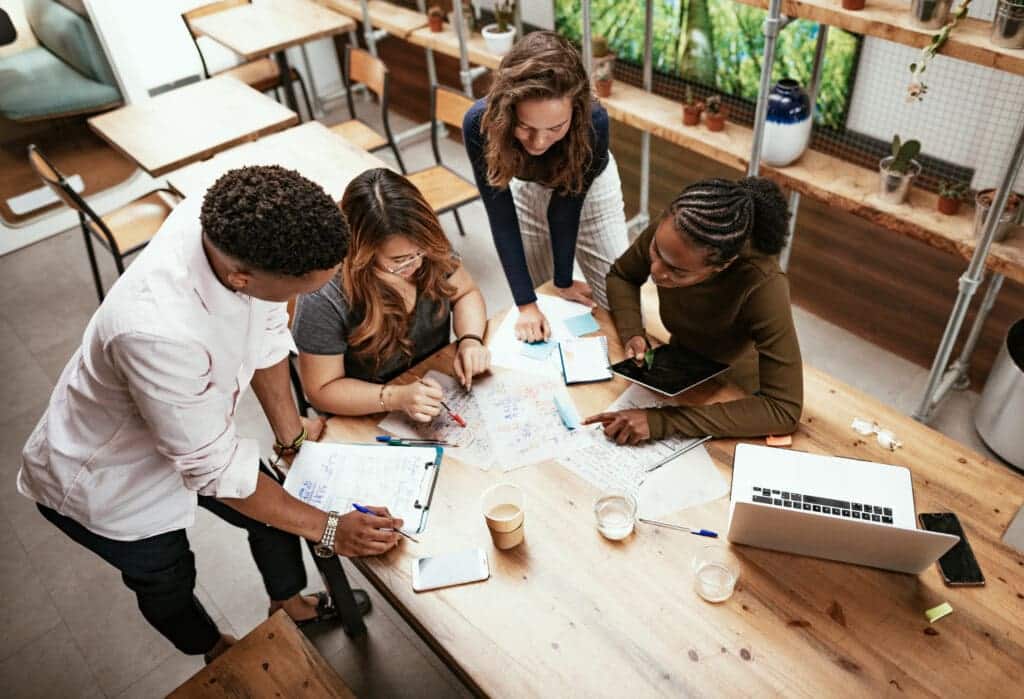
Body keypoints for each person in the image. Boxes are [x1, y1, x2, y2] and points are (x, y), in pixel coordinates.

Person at [18, 166, 403, 663]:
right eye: (301, 290)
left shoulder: (235, 226)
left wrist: (291, 440)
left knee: (278, 517)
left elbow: (267, 330)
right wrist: (331, 528)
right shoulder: (154, 330)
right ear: (242, 278)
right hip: (109, 477)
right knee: (167, 578)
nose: (303, 302)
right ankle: (214, 651)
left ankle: (289, 603)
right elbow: (214, 471)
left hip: (196, 430)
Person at [585, 177, 803, 444]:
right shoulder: (675, 232)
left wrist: (662, 422)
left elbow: (783, 409)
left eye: (676, 271)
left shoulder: (764, 284)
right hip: (683, 365)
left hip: (737, 387)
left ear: (721, 267)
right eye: (655, 252)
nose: (656, 272)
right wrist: (632, 333)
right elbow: (622, 275)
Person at [463, 30, 628, 343]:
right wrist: (526, 304)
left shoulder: (594, 122)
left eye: (555, 128)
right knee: (546, 301)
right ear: (507, 110)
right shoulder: (479, 124)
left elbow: (566, 207)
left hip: (591, 192)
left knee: (620, 302)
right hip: (528, 190)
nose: (538, 143)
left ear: (575, 110)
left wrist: (564, 278)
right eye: (524, 127)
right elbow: (501, 216)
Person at [292, 167, 490, 421]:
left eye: (420, 252)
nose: (416, 264)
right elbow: (322, 390)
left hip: (434, 381)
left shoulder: (425, 244)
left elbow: (465, 293)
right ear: (361, 252)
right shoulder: (324, 295)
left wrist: (470, 340)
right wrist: (396, 397)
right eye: (399, 260)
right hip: (368, 410)